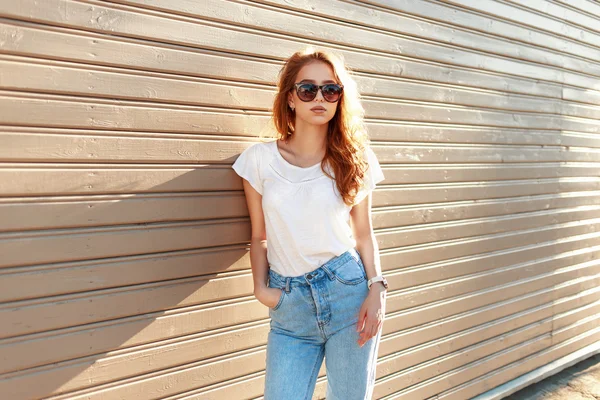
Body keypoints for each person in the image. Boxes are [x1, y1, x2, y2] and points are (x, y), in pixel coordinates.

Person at [231, 47, 388, 400]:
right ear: (290, 98)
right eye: (308, 89)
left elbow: (363, 234)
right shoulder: (259, 161)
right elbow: (259, 237)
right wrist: (261, 290)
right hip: (290, 306)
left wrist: (376, 288)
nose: (320, 97)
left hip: (349, 294)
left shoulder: (354, 159)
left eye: (330, 90)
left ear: (339, 99)